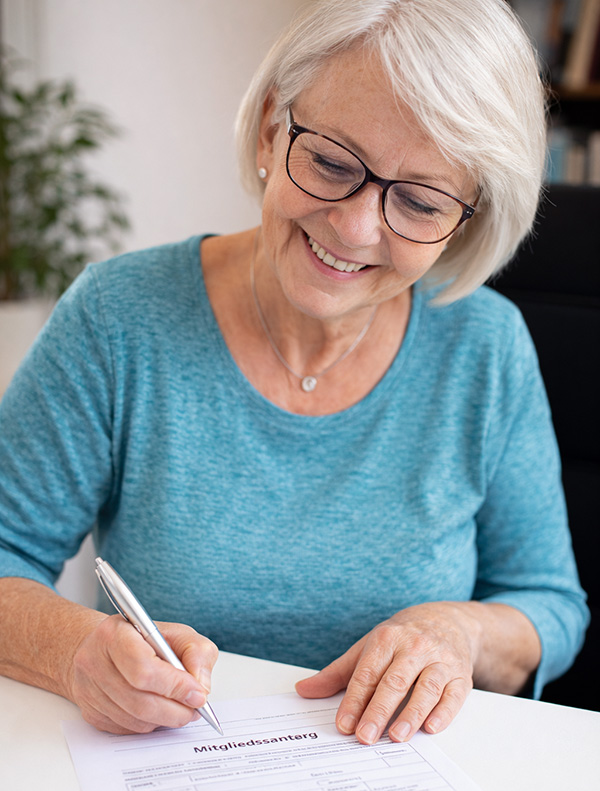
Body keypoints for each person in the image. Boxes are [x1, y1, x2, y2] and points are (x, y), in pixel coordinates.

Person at [0, 0, 589, 744]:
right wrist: (72, 649)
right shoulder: (119, 318)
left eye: (419, 201)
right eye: (332, 163)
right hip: (170, 780)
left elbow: (549, 604)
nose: (353, 228)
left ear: (466, 220)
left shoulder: (487, 348)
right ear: (273, 126)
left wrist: (459, 632)